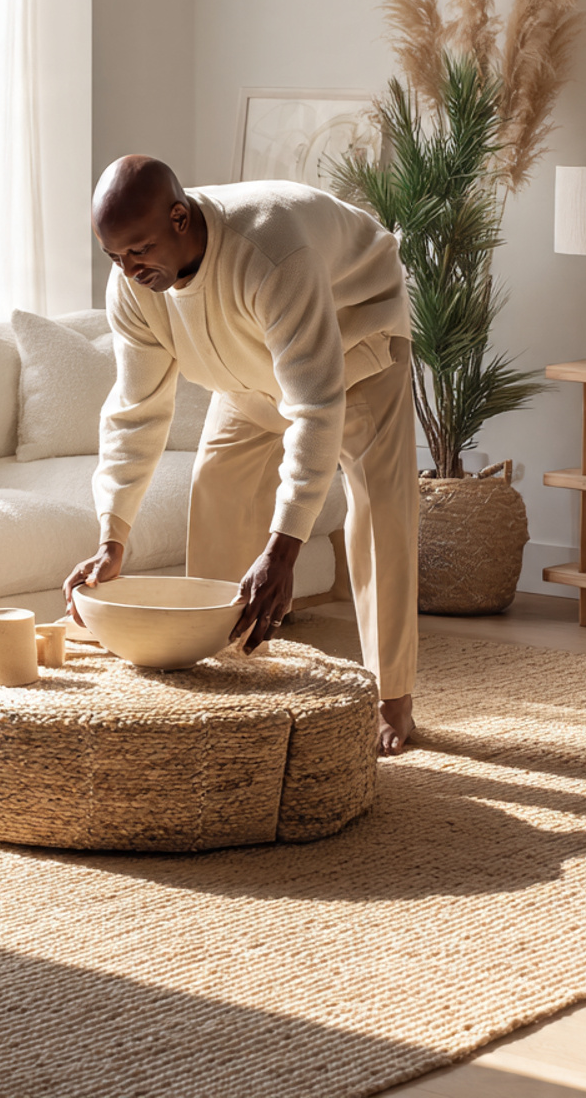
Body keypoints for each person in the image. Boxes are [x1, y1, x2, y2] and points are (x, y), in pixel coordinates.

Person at [63, 155, 419, 754]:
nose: (128, 270)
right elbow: (136, 408)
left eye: (139, 251)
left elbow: (314, 407)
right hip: (247, 366)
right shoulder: (134, 283)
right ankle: (224, 668)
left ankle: (393, 697)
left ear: (180, 219)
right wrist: (112, 537)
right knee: (217, 486)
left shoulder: (272, 250)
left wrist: (284, 549)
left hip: (356, 340)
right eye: (115, 257)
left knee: (379, 508)